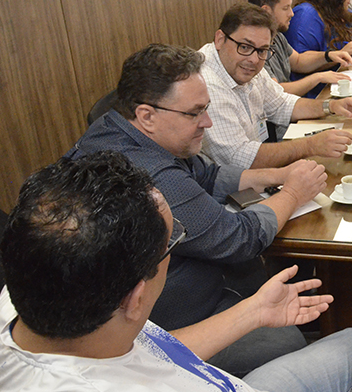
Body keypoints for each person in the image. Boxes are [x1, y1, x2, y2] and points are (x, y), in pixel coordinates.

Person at [0, 151, 352, 392]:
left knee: (351, 343)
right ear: (135, 298)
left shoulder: (29, 305)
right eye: (171, 244)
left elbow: (147, 352)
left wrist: (253, 312)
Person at [64, 44, 329, 376]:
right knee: (287, 340)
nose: (207, 122)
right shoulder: (151, 178)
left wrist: (277, 175)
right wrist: (292, 192)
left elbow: (208, 174)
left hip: (195, 285)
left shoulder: (117, 123)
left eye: (207, 108)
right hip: (176, 323)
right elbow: (239, 238)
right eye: (195, 113)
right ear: (147, 115)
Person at [201, 3, 352, 169]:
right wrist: (310, 146)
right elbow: (239, 159)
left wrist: (330, 105)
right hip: (226, 188)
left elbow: (282, 104)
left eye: (262, 50)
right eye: (244, 47)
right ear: (220, 39)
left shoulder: (245, 62)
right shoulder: (208, 86)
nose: (253, 59)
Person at [247, 0, 352, 98]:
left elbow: (298, 60)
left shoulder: (277, 36)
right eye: (285, 8)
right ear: (266, 11)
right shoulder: (253, 50)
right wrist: (318, 78)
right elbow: (276, 92)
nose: (291, 13)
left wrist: (329, 55)